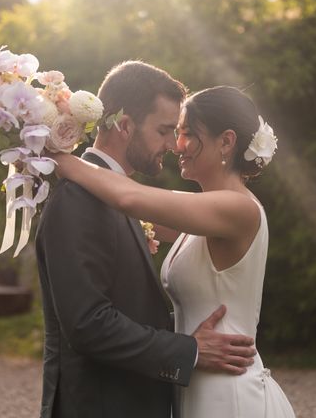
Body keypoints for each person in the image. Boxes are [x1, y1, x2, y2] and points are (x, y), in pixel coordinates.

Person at [51, 85, 296, 418]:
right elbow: (121, 213)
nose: (177, 145)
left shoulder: (237, 209)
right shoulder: (203, 214)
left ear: (226, 141)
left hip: (227, 392)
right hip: (196, 380)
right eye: (174, 133)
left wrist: (52, 155)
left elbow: (129, 199)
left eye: (188, 134)